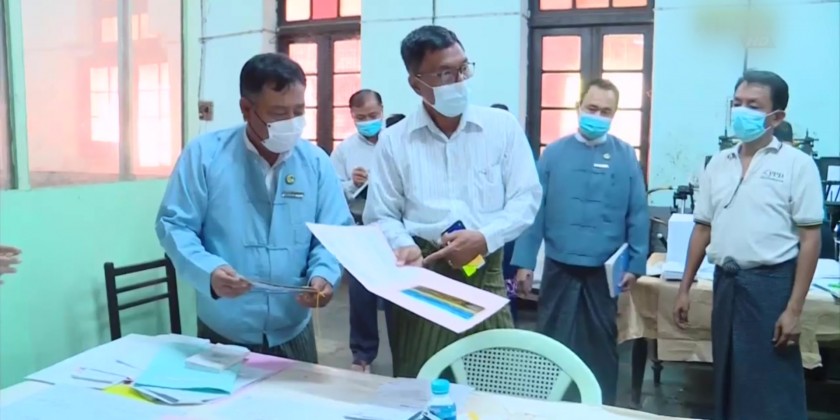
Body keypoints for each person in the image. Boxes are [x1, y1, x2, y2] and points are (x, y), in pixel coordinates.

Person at [363, 25, 542, 378]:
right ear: (416, 84)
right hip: (422, 278)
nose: (459, 81)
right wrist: (403, 245)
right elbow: (381, 213)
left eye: (463, 68)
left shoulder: (501, 128)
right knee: (421, 382)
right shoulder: (395, 141)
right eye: (445, 74)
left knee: (495, 382)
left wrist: (486, 237)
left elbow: (526, 198)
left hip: (484, 272)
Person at [156, 52, 353, 363]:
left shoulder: (315, 163)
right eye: (279, 113)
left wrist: (324, 274)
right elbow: (175, 225)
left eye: (299, 111)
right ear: (246, 109)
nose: (292, 123)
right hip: (224, 329)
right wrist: (209, 271)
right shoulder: (205, 156)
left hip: (293, 327)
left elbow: (333, 232)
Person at [673, 70, 823, 420]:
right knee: (729, 374)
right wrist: (684, 288)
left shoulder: (797, 166)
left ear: (776, 117)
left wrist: (794, 309)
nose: (742, 112)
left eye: (753, 106)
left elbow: (810, 239)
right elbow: (702, 229)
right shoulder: (718, 164)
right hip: (727, 283)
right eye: (737, 103)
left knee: (770, 382)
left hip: (771, 286)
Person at [511, 79, 649, 405]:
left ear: (614, 114)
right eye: (592, 108)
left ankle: (599, 407)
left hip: (603, 271)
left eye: (605, 111)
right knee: (553, 341)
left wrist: (636, 263)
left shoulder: (625, 156)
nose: (597, 116)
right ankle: (549, 406)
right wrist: (524, 262)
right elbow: (534, 211)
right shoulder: (553, 154)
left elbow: (638, 212)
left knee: (601, 344)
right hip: (559, 266)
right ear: (579, 107)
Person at [331, 89, 385, 373]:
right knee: (361, 295)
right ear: (352, 116)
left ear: (382, 111)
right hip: (361, 226)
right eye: (361, 117)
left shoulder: (396, 142)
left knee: (401, 298)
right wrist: (352, 183)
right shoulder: (345, 151)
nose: (368, 122)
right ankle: (362, 355)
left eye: (373, 115)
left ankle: (408, 353)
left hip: (394, 227)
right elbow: (331, 191)